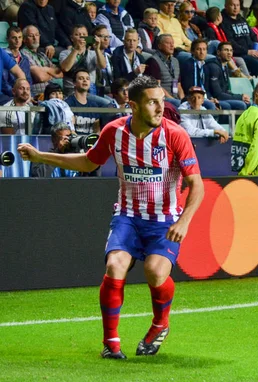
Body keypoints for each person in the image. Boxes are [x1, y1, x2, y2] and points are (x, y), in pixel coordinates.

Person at [17, 75, 204, 359]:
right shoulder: (114, 131)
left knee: (155, 272)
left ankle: (160, 323)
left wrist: (184, 220)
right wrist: (41, 156)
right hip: (127, 216)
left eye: (162, 101)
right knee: (115, 265)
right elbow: (88, 161)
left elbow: (197, 184)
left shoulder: (175, 134)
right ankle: (111, 343)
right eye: (152, 102)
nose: (160, 108)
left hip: (164, 220)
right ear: (134, 106)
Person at [59, 24, 106, 96]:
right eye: (77, 34)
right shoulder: (65, 53)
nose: (81, 37)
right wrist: (76, 50)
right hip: (71, 90)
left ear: (88, 37)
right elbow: (65, 68)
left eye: (84, 34)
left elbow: (103, 65)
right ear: (72, 38)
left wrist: (97, 49)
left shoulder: (93, 53)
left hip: (90, 91)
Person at [21, 25, 63, 98]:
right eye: (31, 36)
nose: (35, 38)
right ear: (24, 39)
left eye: (37, 35)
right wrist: (51, 74)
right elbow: (41, 77)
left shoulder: (42, 55)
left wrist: (45, 70)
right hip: (37, 94)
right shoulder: (23, 54)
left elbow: (60, 73)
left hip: (51, 93)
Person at [144, 34, 185, 106]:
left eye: (172, 43)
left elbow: (178, 85)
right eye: (168, 43)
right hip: (162, 98)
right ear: (159, 46)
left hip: (175, 98)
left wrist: (183, 100)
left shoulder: (175, 61)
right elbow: (157, 86)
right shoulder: (153, 61)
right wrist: (173, 99)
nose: (172, 46)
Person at [65, 68, 107, 134]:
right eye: (81, 78)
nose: (85, 80)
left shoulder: (94, 106)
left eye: (87, 79)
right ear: (74, 83)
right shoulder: (68, 104)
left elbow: (97, 130)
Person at [3, 26, 33, 97]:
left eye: (19, 37)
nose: (17, 40)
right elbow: (3, 83)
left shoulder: (25, 59)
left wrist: (29, 95)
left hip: (23, 96)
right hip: (7, 96)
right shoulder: (2, 56)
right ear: (7, 39)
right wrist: (18, 95)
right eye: (14, 38)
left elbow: (29, 81)